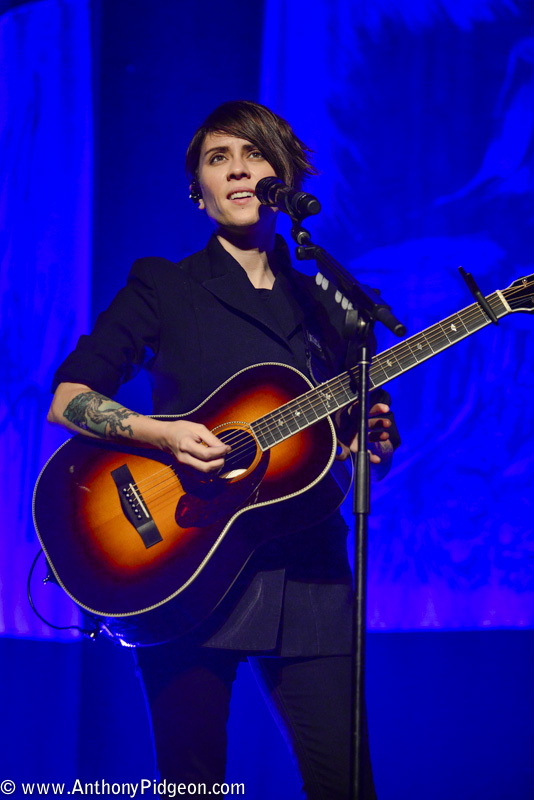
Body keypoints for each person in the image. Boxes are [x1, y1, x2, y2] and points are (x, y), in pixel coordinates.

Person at [47, 100, 400, 799]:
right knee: (193, 785)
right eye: (218, 159)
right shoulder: (165, 285)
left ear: (286, 175)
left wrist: (373, 451)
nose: (239, 170)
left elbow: (365, 450)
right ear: (196, 191)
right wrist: (165, 434)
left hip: (311, 576)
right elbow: (68, 399)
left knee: (349, 787)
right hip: (183, 562)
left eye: (256, 155)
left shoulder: (331, 302)